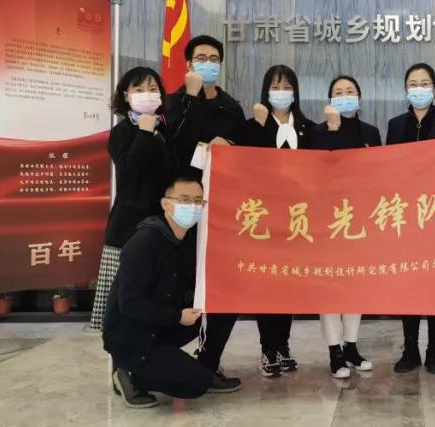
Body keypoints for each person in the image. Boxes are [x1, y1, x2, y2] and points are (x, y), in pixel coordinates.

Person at [102, 176, 240, 408]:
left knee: (224, 308)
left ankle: (207, 367)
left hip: (161, 325)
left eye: (198, 201)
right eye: (184, 200)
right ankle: (130, 374)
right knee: (196, 384)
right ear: (165, 203)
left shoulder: (189, 240)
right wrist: (177, 317)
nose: (192, 207)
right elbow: (130, 304)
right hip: (133, 337)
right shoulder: (143, 243)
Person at [385, 62, 435, 374]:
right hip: (404, 215)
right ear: (406, 89)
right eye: (413, 84)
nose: (419, 88)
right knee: (409, 283)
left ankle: (434, 350)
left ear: (434, 88)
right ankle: (410, 349)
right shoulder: (395, 124)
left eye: (425, 83)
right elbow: (387, 166)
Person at [240, 64, 316, 377]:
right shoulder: (252, 126)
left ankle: (283, 344)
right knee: (266, 285)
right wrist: (261, 128)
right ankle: (267, 348)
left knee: (287, 284)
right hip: (264, 219)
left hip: (297, 219)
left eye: (286, 86)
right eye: (275, 86)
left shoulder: (308, 128)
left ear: (295, 92)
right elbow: (248, 165)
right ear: (265, 91)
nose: (281, 92)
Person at [89, 67, 174, 331]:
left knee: (153, 291)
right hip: (128, 224)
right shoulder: (122, 131)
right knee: (122, 299)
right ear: (126, 95)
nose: (147, 94)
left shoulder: (165, 128)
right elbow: (130, 173)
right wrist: (144, 134)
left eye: (153, 89)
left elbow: (171, 171)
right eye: (139, 89)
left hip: (160, 221)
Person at [310, 75, 380, 378]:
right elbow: (324, 170)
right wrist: (333, 129)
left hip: (360, 218)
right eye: (338, 92)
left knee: (356, 284)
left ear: (360, 98)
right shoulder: (317, 132)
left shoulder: (371, 132)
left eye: (350, 91)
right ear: (329, 99)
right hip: (327, 220)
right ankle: (334, 352)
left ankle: (351, 346)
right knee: (329, 287)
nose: (344, 96)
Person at [165, 35, 248, 175]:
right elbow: (172, 145)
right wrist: (191, 97)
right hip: (181, 182)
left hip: (219, 180)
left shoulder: (232, 107)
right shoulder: (171, 103)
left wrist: (229, 145)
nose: (208, 63)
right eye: (201, 58)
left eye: (214, 59)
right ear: (189, 65)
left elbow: (244, 150)